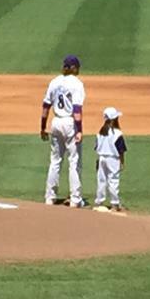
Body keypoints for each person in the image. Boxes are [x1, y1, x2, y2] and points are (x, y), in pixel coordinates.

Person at [40, 54, 85, 207]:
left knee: (55, 162)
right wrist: (79, 130)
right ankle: (75, 199)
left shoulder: (54, 82)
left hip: (56, 122)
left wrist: (43, 127)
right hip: (70, 123)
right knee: (74, 161)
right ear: (74, 68)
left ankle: (49, 197)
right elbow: (77, 109)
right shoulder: (77, 83)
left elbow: (46, 106)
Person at [94, 106, 127, 211]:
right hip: (113, 159)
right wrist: (122, 162)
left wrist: (98, 160)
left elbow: (97, 147)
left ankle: (99, 202)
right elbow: (121, 150)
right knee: (113, 180)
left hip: (102, 158)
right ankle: (114, 204)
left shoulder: (100, 132)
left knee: (101, 180)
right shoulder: (117, 133)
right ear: (114, 119)